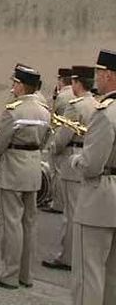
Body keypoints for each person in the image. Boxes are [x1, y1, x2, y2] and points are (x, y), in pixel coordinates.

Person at [0, 65, 51, 290]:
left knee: (11, 223)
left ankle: (9, 274)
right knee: (28, 223)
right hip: (33, 168)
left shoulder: (14, 111)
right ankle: (25, 274)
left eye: (14, 83)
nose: (12, 87)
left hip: (13, 167)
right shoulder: (44, 110)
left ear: (21, 85)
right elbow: (45, 139)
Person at [70, 49, 116, 305]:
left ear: (109, 75)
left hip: (99, 197)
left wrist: (75, 159)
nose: (96, 78)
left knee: (89, 274)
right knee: (111, 275)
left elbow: (91, 166)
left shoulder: (105, 112)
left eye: (99, 73)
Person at [41, 65, 97, 271]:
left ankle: (67, 257)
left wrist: (53, 148)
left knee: (71, 214)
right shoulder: (96, 103)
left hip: (71, 160)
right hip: (87, 157)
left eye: (73, 82)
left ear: (76, 82)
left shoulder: (76, 106)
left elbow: (63, 137)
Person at [43, 68, 77, 214]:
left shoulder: (63, 96)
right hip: (76, 142)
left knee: (56, 172)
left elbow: (54, 116)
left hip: (63, 137)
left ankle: (57, 203)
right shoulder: (74, 95)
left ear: (61, 80)